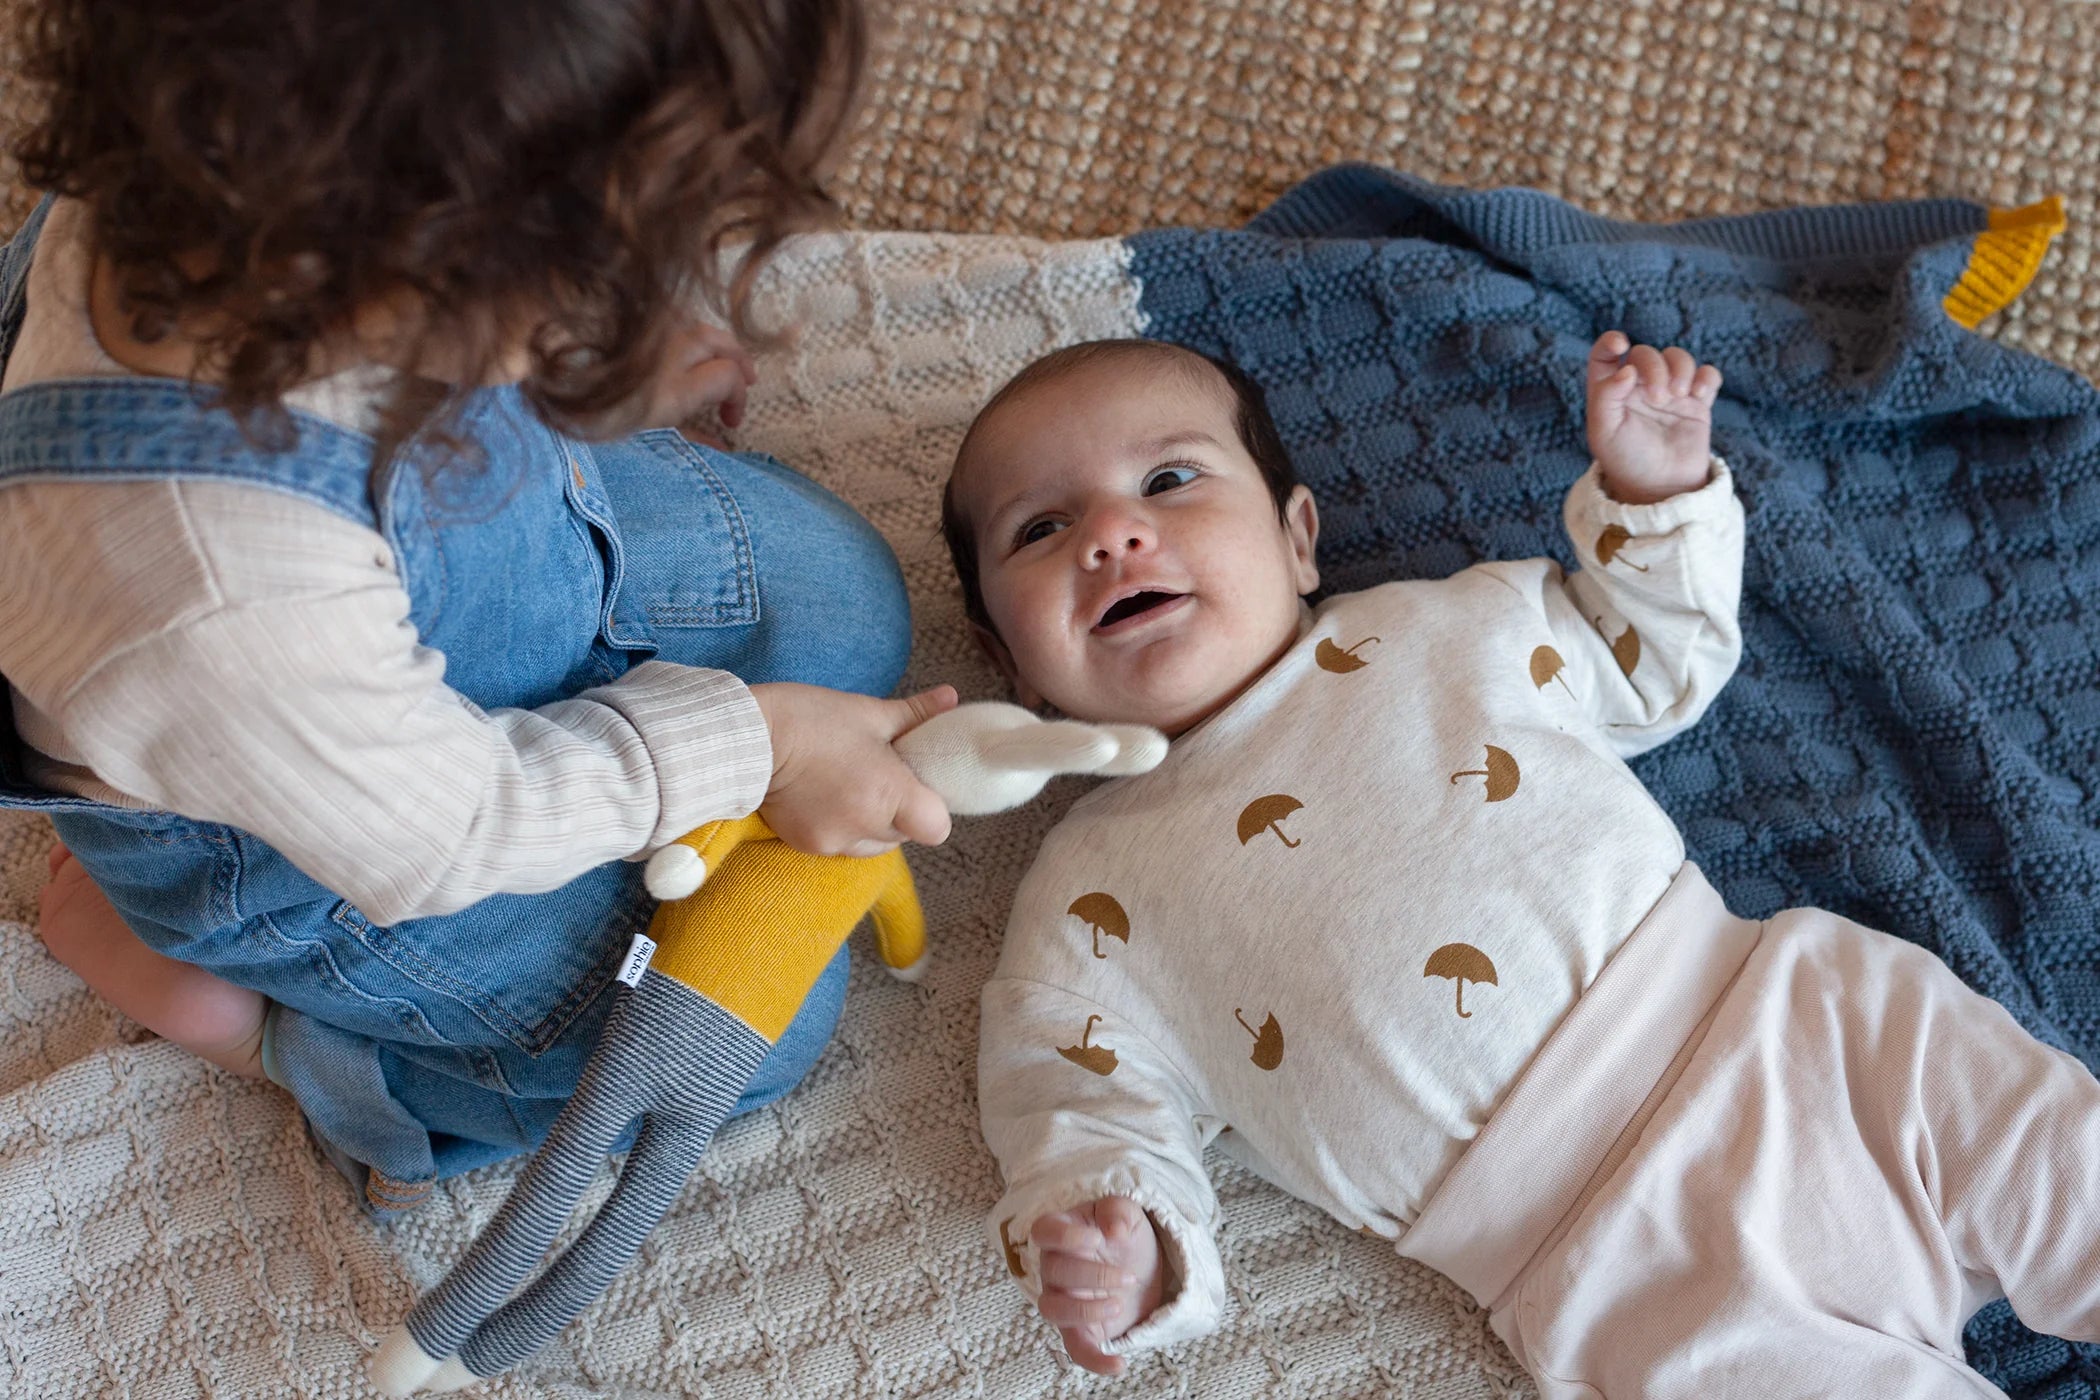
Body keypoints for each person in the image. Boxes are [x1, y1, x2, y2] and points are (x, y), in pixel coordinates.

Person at [942, 333, 2100, 1396]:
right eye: (1040, 530)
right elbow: (1076, 1103)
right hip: (1610, 1262)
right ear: (1008, 661)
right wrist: (1123, 1237)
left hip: (1801, 1027)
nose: (1111, 535)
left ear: (1297, 539)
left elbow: (1652, 654)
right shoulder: (1085, 898)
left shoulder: (1454, 624)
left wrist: (1654, 497)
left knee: (2055, 1164)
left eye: (1168, 480)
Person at [0, 0, 955, 1217]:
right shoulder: (208, 582)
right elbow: (457, 831)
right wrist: (756, 743)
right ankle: (331, 1068)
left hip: (477, 592)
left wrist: (599, 358)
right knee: (735, 1038)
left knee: (845, 593)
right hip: (332, 835)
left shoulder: (247, 168)